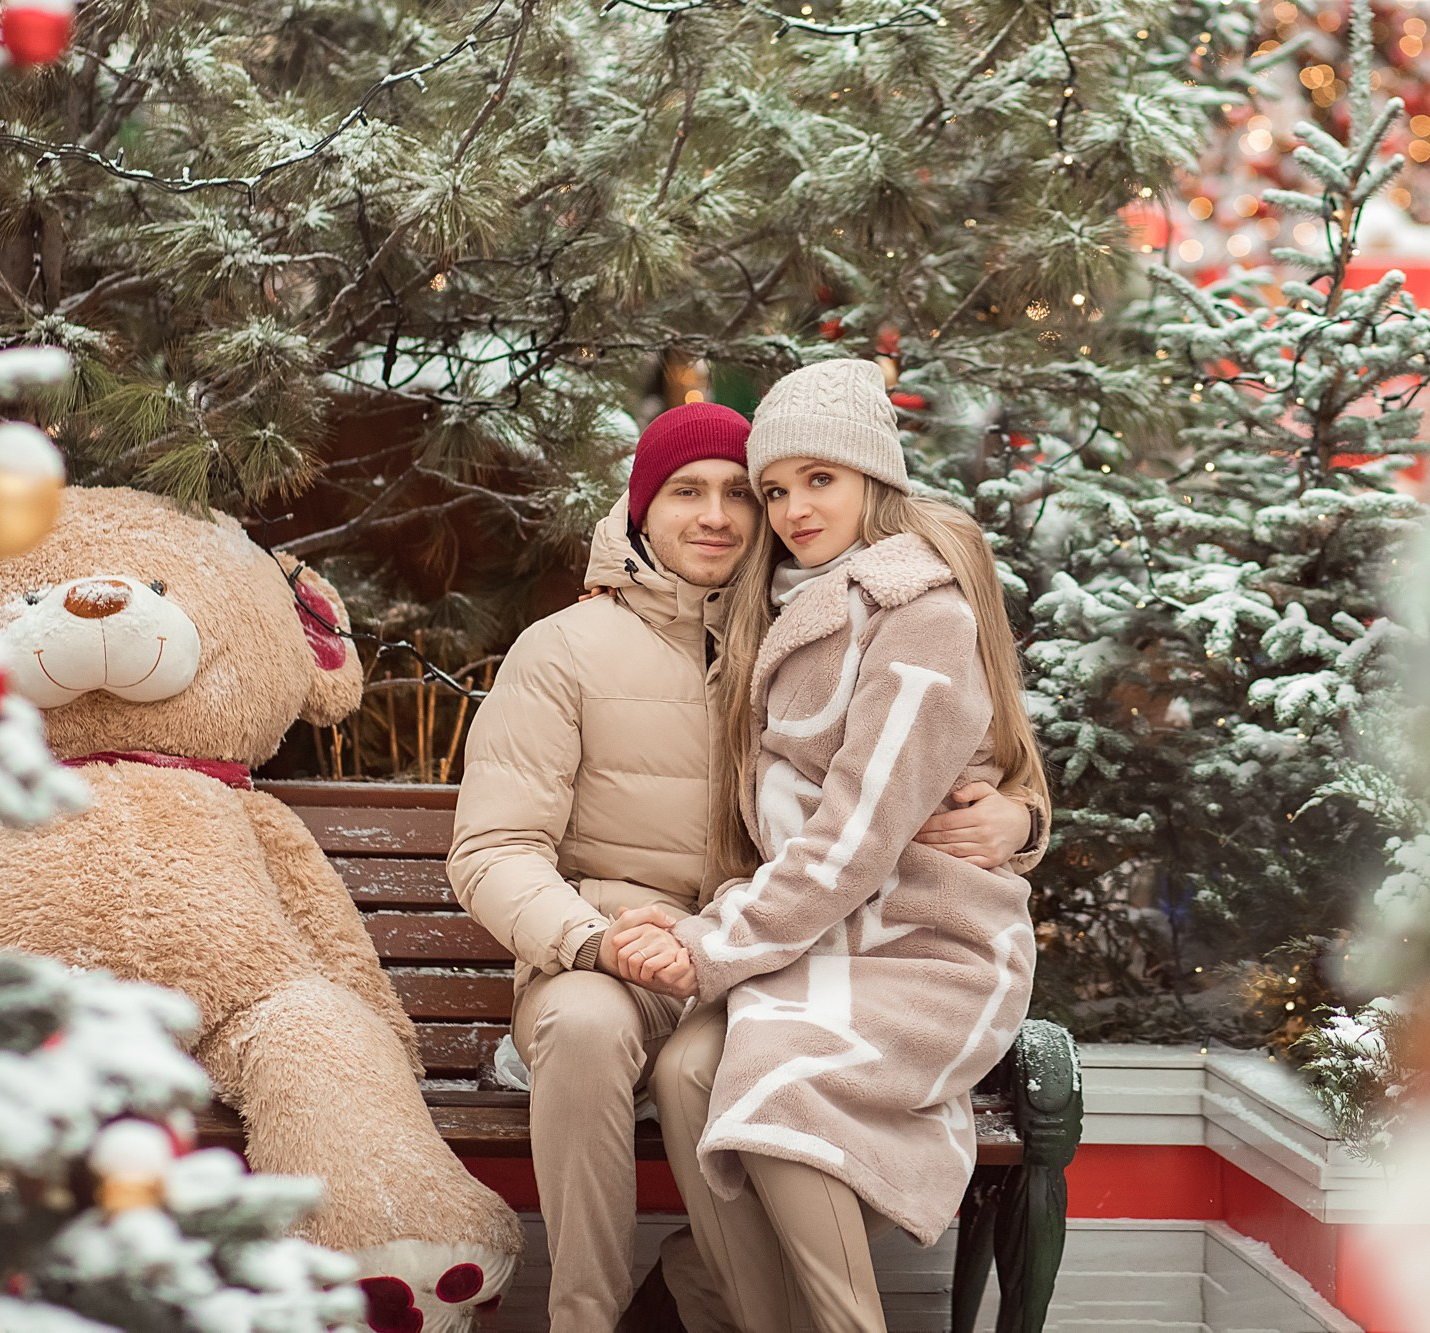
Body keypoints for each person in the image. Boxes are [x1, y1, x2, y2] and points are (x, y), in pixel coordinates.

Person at [447, 400, 1047, 1333]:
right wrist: (592, 940)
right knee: (585, 1026)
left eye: (742, 493)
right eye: (687, 492)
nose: (718, 516)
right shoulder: (564, 649)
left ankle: (714, 1298)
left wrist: (1022, 816)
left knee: (721, 1067)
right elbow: (491, 849)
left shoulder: (818, 619)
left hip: (772, 946)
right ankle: (584, 1319)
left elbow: (949, 753)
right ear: (641, 509)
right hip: (620, 939)